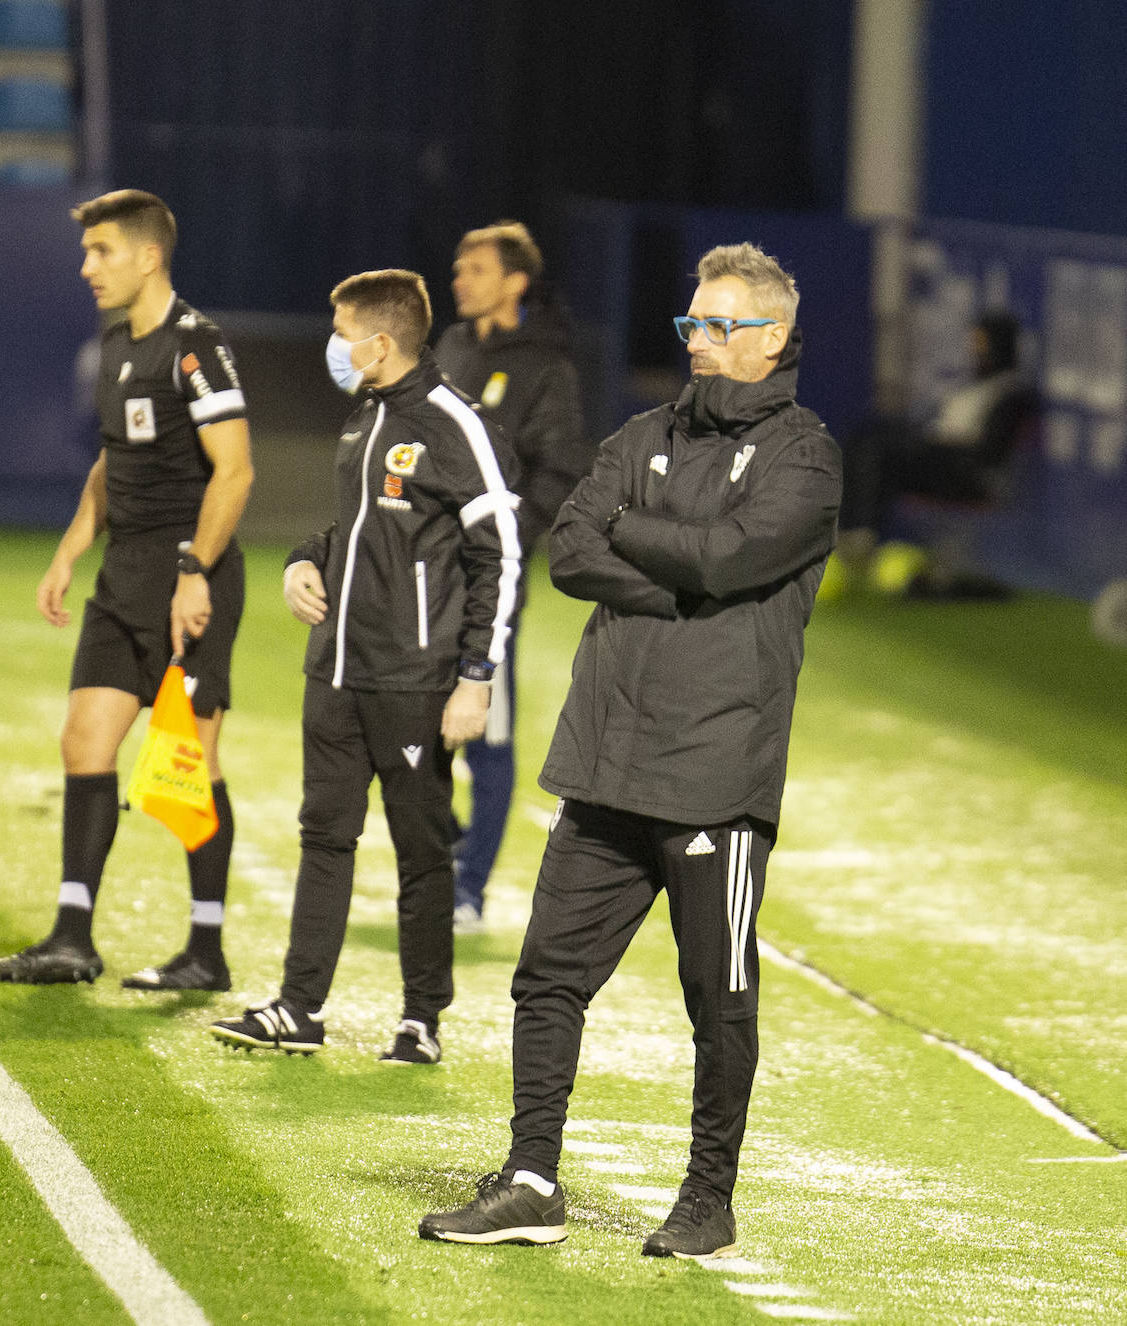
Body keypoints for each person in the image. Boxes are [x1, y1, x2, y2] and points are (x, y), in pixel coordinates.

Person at [419, 243, 841, 1256]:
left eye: (722, 325)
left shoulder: (805, 457)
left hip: (715, 778)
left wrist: (647, 542)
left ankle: (708, 1200)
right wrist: (685, 586)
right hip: (605, 761)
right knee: (546, 978)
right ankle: (530, 1180)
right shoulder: (642, 433)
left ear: (774, 338)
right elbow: (571, 543)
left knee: (717, 998)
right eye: (692, 323)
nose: (700, 341)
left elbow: (736, 554)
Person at [209, 269, 520, 1064]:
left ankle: (422, 1019)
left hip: (415, 682)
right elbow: (353, 530)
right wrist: (302, 562)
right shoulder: (364, 416)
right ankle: (299, 1008)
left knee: (421, 852)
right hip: (336, 676)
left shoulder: (455, 424)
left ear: (380, 342)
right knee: (325, 837)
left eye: (343, 330)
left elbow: (502, 555)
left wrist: (476, 677)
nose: (335, 346)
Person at [0, 189, 254, 991]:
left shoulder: (196, 347)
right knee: (83, 742)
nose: (86, 267)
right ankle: (72, 938)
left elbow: (234, 472)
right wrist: (70, 549)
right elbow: (110, 464)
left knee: (187, 765)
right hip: (122, 578)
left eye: (101, 252)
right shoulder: (113, 344)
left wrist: (196, 574)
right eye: (87, 251)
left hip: (186, 579)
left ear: (148, 255)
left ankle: (205, 950)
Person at [435, 221, 591, 933]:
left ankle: (467, 889)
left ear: (514, 281)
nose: (459, 278)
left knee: (487, 729)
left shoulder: (546, 367)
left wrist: (503, 536)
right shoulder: (452, 347)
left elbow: (561, 471)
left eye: (474, 268)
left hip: (489, 579)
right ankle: (445, 844)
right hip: (422, 570)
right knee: (401, 718)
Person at [835, 309, 1035, 579]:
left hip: (965, 474)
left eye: (982, 344)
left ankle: (861, 538)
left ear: (999, 345)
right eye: (974, 344)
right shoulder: (970, 386)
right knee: (863, 439)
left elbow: (989, 453)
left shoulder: (1011, 393)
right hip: (935, 461)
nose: (975, 351)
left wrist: (937, 445)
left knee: (880, 453)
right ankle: (844, 532)